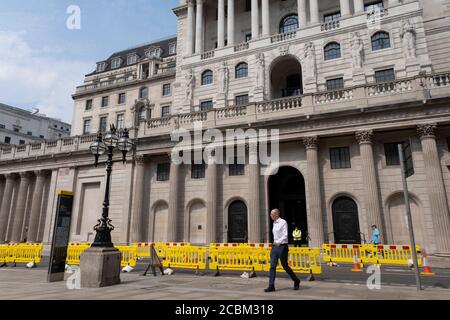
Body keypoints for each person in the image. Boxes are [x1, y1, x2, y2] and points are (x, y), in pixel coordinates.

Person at [265, 209, 300, 292]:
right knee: (272, 266)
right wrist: (275, 243)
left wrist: (277, 242)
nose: (270, 215)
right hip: (275, 247)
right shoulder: (274, 223)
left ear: (276, 214)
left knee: (285, 266)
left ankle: (296, 280)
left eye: (271, 214)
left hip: (282, 247)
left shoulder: (283, 222)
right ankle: (271, 285)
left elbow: (285, 235)